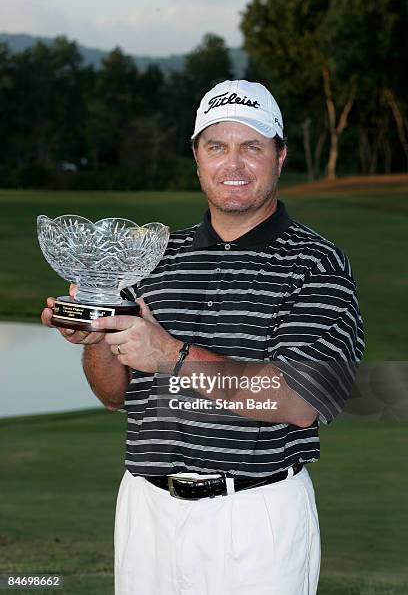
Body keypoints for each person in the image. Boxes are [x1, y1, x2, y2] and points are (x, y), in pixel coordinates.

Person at [41, 80, 364, 595]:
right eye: (217, 146)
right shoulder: (154, 255)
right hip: (146, 511)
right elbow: (114, 395)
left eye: (250, 147)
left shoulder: (316, 264)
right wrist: (98, 336)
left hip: (254, 518)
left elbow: (302, 399)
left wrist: (170, 354)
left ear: (279, 157)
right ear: (197, 158)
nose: (232, 164)